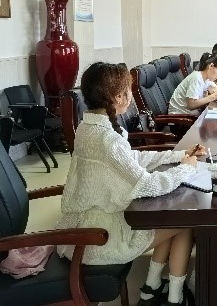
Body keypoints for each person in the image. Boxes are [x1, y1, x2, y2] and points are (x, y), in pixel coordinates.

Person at [56, 62, 205, 306]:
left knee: (168, 216)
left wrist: (178, 156)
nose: (131, 97)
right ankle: (175, 298)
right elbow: (147, 185)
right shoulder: (106, 139)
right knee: (184, 221)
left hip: (87, 225)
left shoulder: (89, 126)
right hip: (99, 237)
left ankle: (151, 288)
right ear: (117, 97)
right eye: (127, 91)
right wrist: (186, 169)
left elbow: (132, 158)